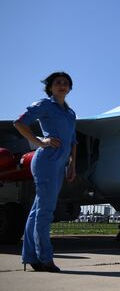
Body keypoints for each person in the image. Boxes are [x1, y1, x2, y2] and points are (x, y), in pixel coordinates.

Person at [14, 72, 77, 272]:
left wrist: (72, 164)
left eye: (66, 83)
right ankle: (45, 258)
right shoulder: (45, 105)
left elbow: (73, 141)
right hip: (46, 161)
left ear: (70, 88)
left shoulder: (70, 113)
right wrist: (40, 142)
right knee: (45, 212)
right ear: (50, 87)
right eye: (58, 82)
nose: (62, 85)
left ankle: (31, 256)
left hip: (60, 164)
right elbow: (19, 123)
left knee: (37, 211)